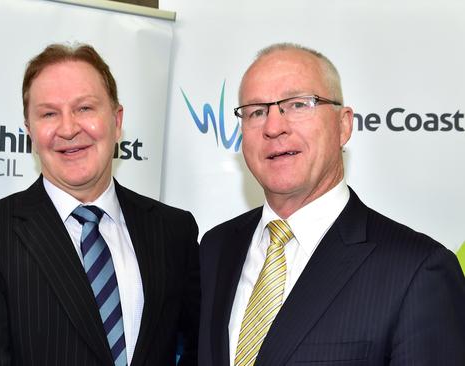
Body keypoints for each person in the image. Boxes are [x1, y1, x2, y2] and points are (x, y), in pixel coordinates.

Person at [198, 43, 465, 366]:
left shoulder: (417, 269)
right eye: (256, 111)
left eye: (297, 105)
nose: (273, 127)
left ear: (344, 125)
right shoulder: (215, 248)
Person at [0, 43, 200, 366]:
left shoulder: (173, 230)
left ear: (117, 122)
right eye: (49, 114)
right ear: (29, 133)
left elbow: (201, 348)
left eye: (85, 108)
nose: (68, 128)